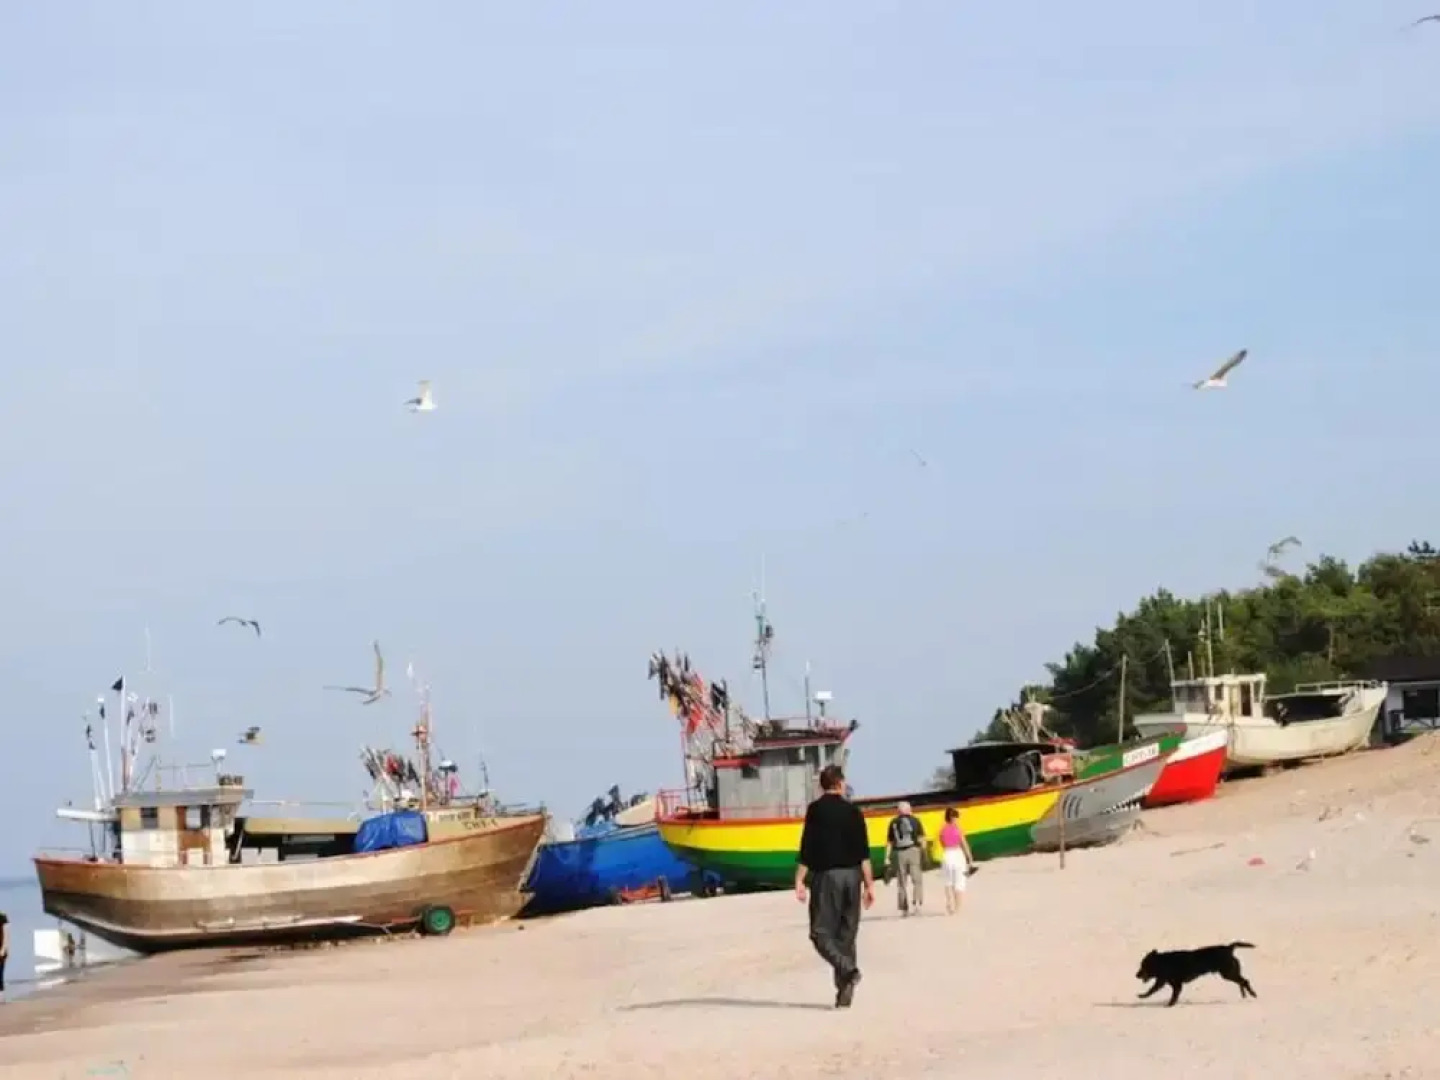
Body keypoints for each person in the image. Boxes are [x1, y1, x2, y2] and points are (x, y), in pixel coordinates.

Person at [795, 764, 874, 1008]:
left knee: (819, 932)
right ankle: (844, 992)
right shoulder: (854, 812)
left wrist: (799, 879)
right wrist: (869, 885)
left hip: (827, 878)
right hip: (853, 876)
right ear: (840, 783)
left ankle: (848, 970)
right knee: (846, 936)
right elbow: (864, 854)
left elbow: (807, 847)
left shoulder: (815, 811)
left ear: (821, 785)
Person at [885, 800, 926, 916]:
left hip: (899, 853)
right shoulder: (915, 820)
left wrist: (887, 857)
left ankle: (904, 908)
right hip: (913, 850)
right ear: (908, 809)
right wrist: (924, 852)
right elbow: (921, 838)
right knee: (916, 878)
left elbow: (889, 842)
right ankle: (917, 904)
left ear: (898, 810)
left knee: (901, 881)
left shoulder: (893, 822)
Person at [937, 807, 975, 915]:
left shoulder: (942, 830)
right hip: (957, 854)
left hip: (947, 855)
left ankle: (949, 902)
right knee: (959, 881)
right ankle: (957, 909)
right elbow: (964, 844)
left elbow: (943, 844)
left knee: (948, 881)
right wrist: (970, 858)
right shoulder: (958, 829)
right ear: (954, 817)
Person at [0, 909, 8, 1000]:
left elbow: (6, 934)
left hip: (1, 951)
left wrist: (3, 948)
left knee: (0, 973)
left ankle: (1, 996)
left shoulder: (2, 917)